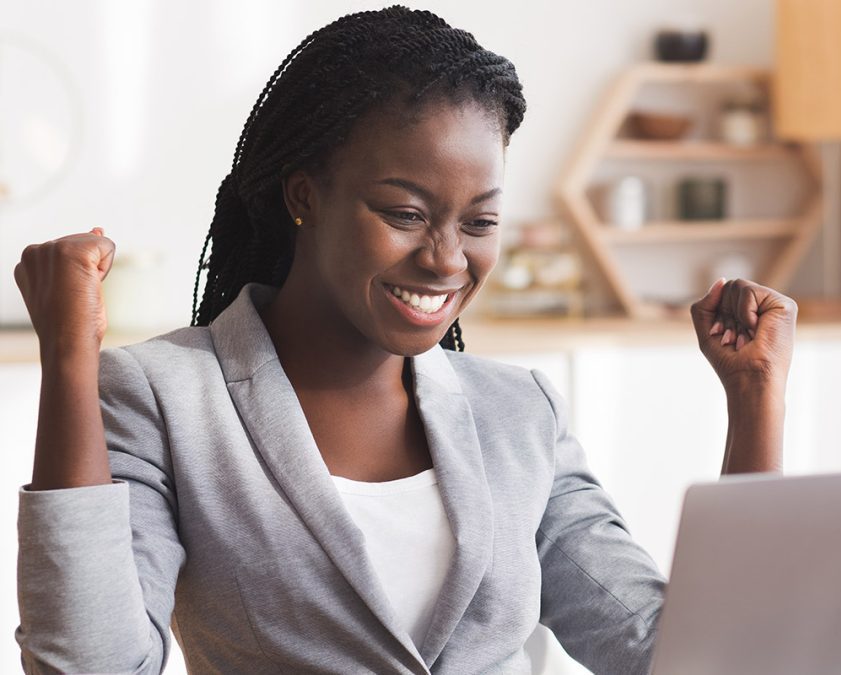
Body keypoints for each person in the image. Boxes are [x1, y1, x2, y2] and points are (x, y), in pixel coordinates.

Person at [12, 6, 796, 674]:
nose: (447, 259)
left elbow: (687, 658)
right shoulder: (166, 396)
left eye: (479, 221)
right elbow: (90, 662)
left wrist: (755, 399)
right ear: (304, 196)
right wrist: (69, 356)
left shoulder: (519, 412)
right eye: (406, 213)